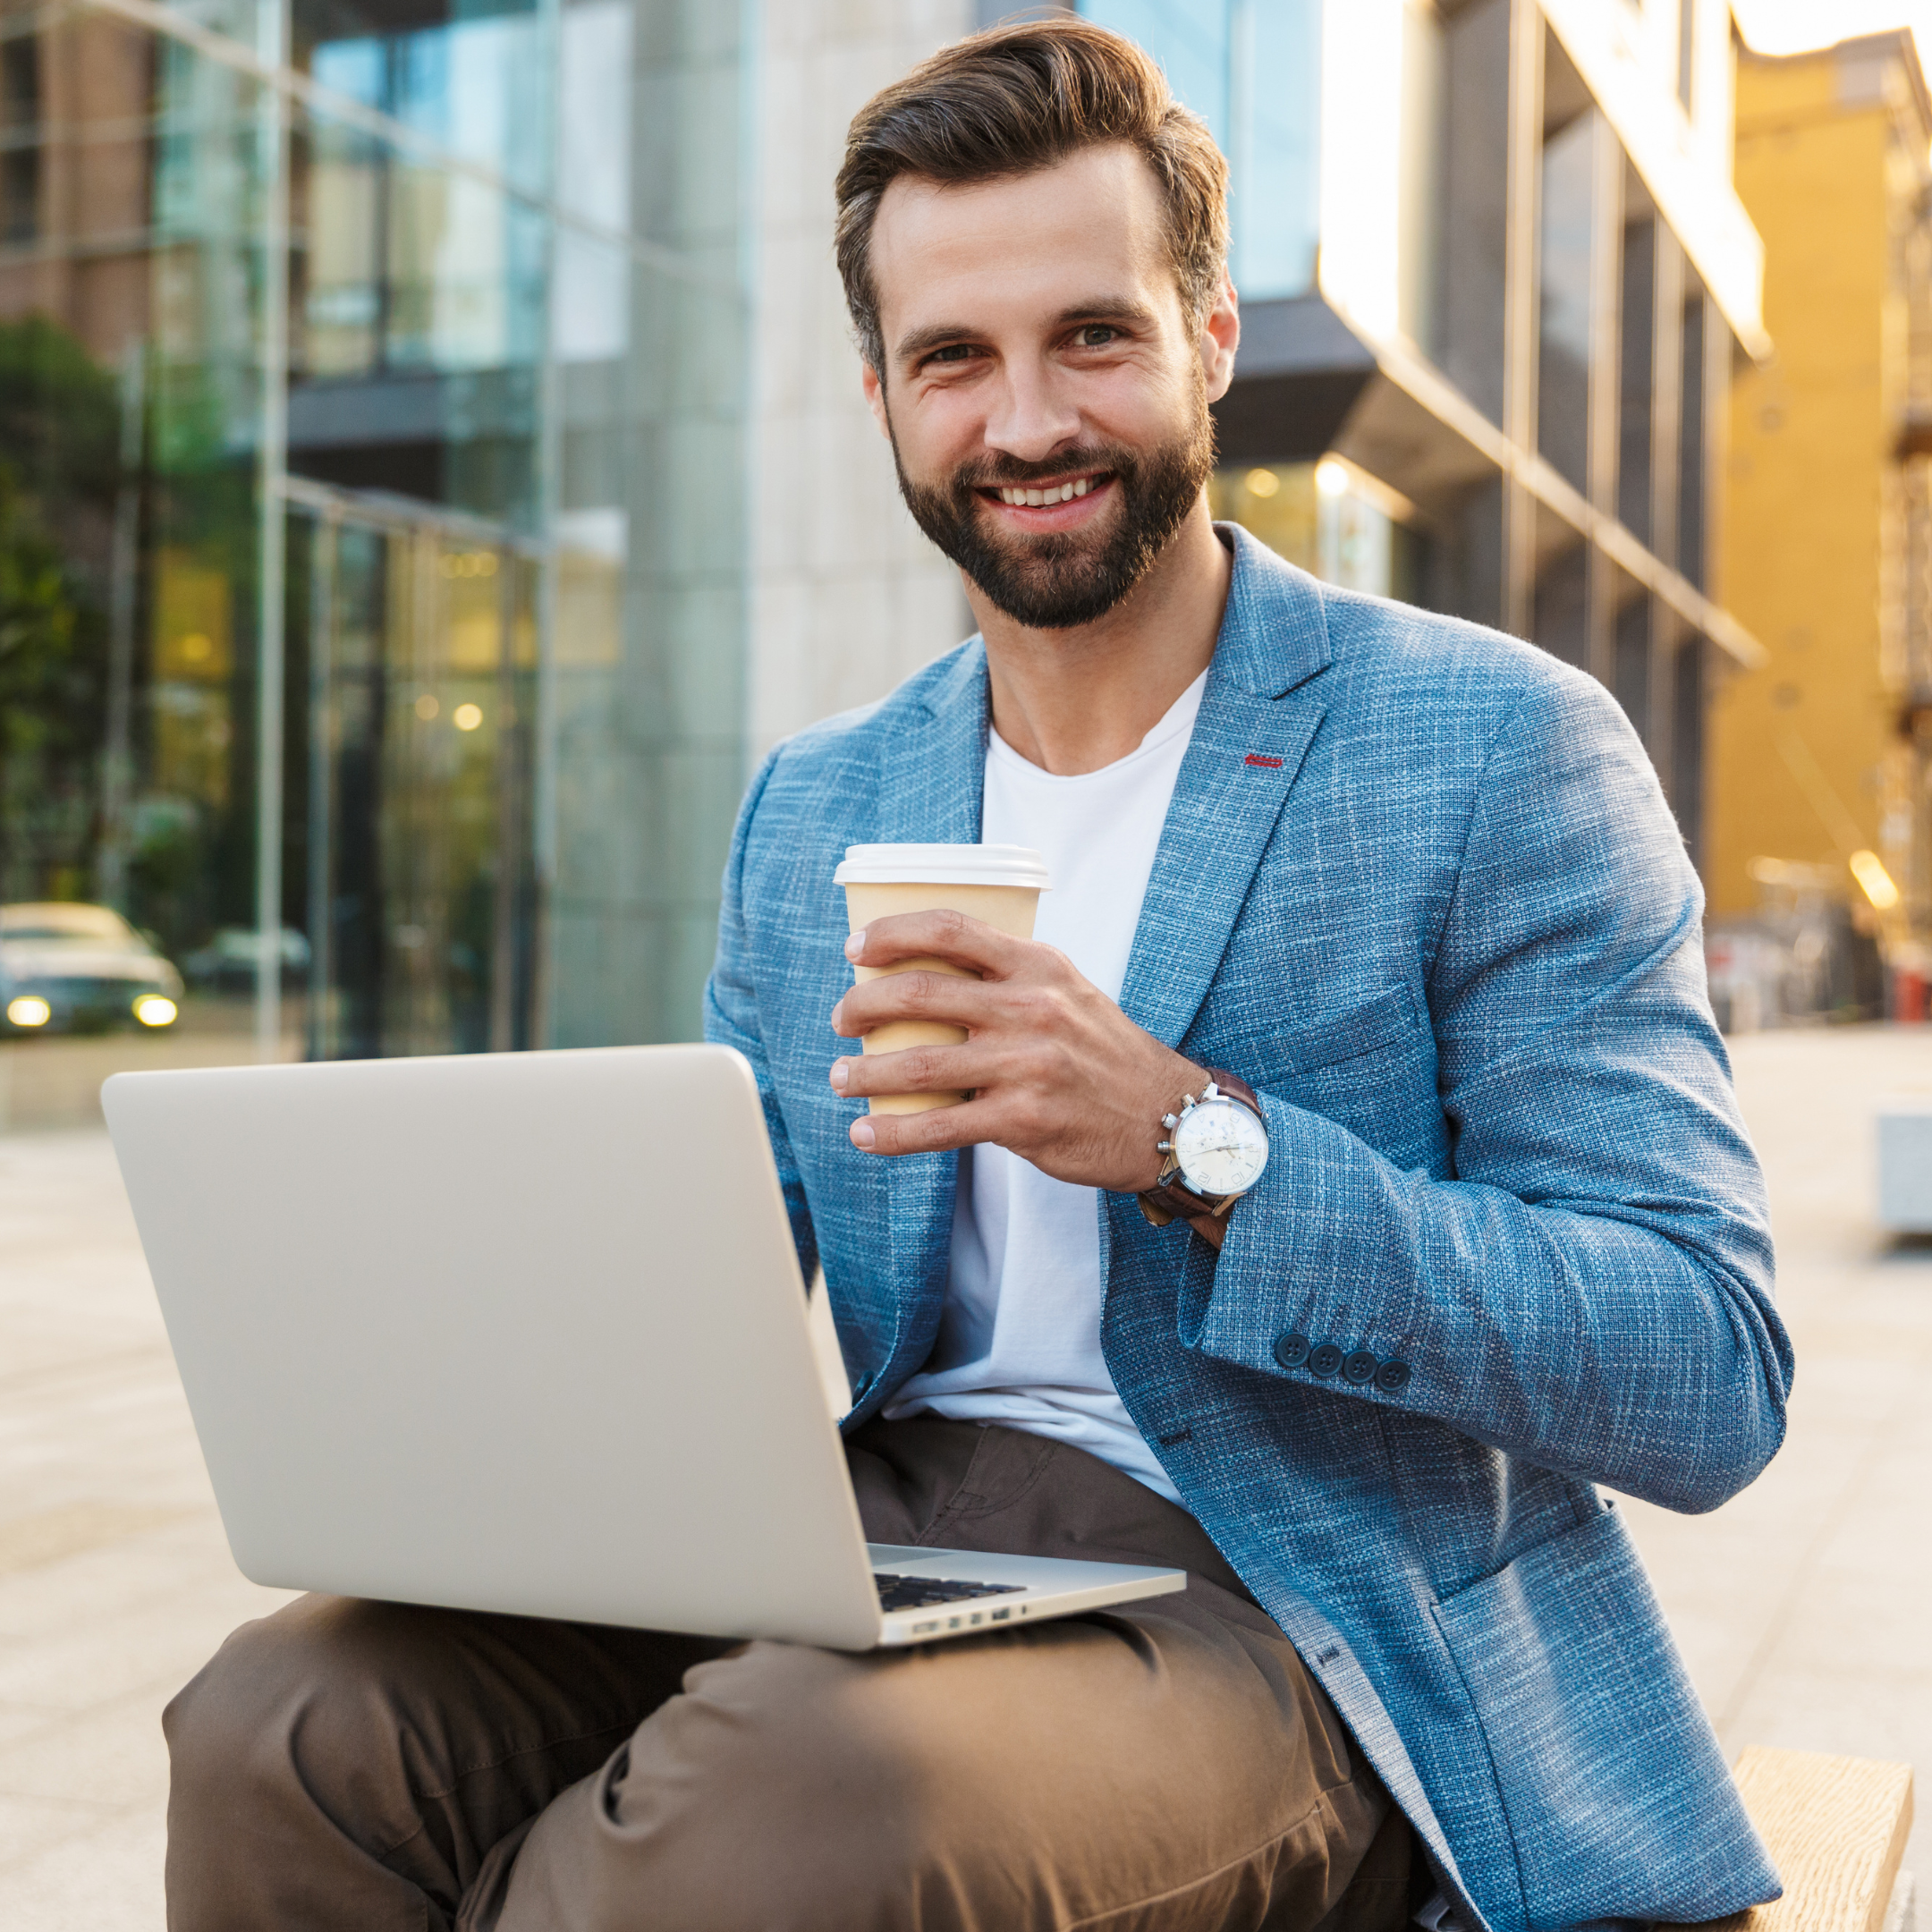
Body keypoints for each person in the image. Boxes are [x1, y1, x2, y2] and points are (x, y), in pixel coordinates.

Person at [163, 20, 1792, 1932]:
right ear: (882, 394)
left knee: (763, 1822)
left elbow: (1707, 1364)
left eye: (1089, 335)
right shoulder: (823, 800)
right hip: (892, 1520)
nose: (1026, 422)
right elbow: (727, 1262)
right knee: (283, 1725)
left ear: (1209, 338)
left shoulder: (1495, 748)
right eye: (955, 358)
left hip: (1283, 1593)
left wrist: (1195, 1138)